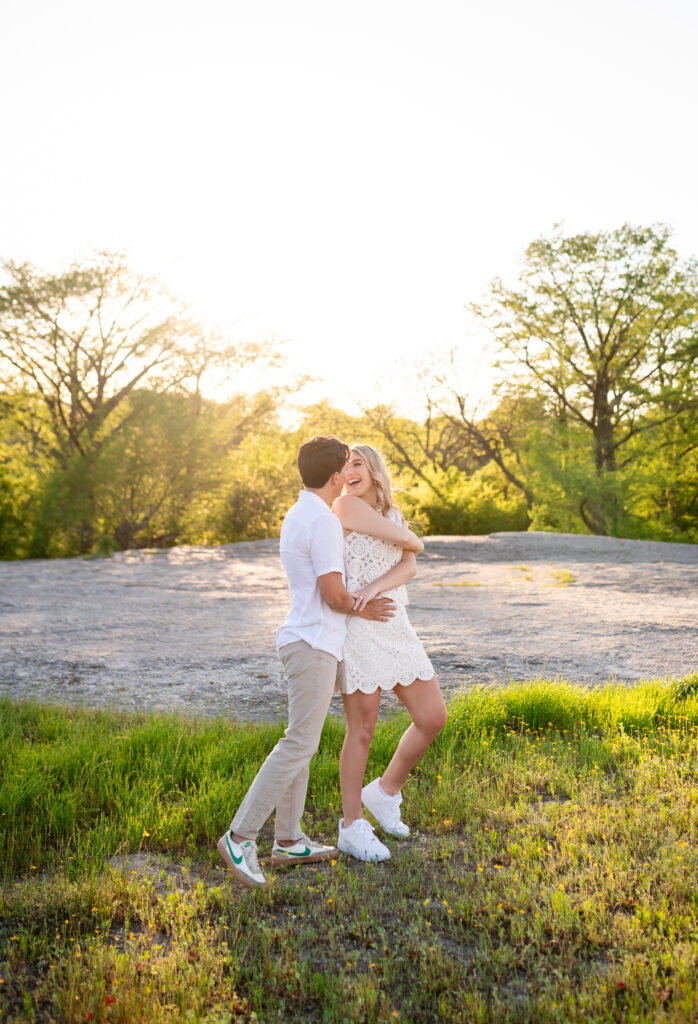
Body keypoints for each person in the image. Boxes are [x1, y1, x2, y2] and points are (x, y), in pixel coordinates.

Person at [217, 435, 396, 889]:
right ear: (336, 477)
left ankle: (289, 840)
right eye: (345, 470)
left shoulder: (300, 512)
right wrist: (366, 604)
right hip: (313, 643)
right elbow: (334, 594)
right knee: (298, 742)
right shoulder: (321, 521)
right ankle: (240, 837)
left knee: (305, 740)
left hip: (314, 641)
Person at [333, 444, 448, 861]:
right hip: (359, 627)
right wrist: (361, 599)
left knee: (432, 716)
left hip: (395, 626)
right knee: (362, 728)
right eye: (345, 465)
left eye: (357, 462)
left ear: (375, 469)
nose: (349, 470)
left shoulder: (392, 515)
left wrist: (370, 589)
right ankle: (351, 825)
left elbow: (410, 563)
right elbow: (413, 543)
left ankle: (384, 792)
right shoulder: (345, 505)